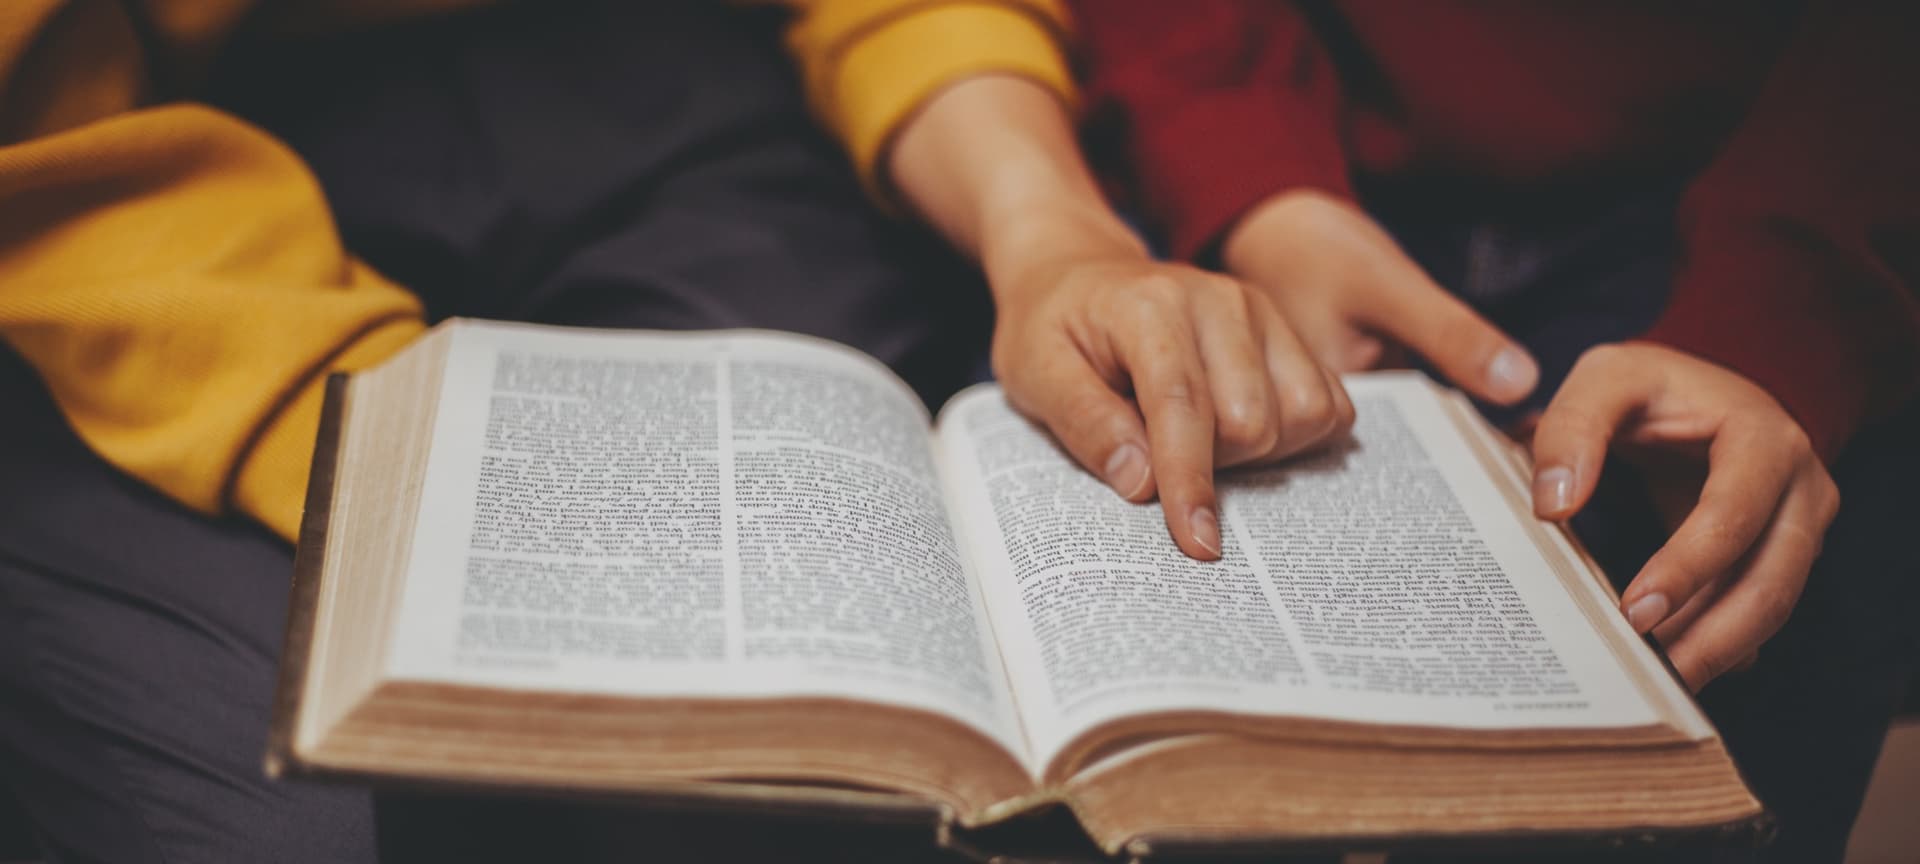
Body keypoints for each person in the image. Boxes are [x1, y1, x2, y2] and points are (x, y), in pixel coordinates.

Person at [778, 1, 1918, 860]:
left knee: (1767, 578)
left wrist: (1781, 306)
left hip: (1743, 199)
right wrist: (1262, 190)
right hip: (1255, 134)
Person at [0, 1, 982, 861]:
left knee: (802, 737)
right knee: (308, 829)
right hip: (98, 183)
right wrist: (394, 453)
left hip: (658, 72)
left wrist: (1048, 229)